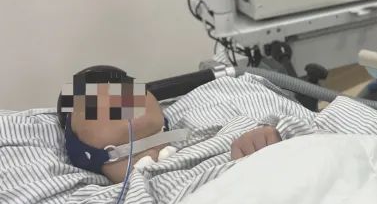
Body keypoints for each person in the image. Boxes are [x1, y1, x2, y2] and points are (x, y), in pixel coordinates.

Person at [58, 65, 283, 183]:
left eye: (123, 89)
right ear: (79, 153)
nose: (115, 97)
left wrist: (264, 148)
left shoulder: (222, 131)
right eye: (95, 99)